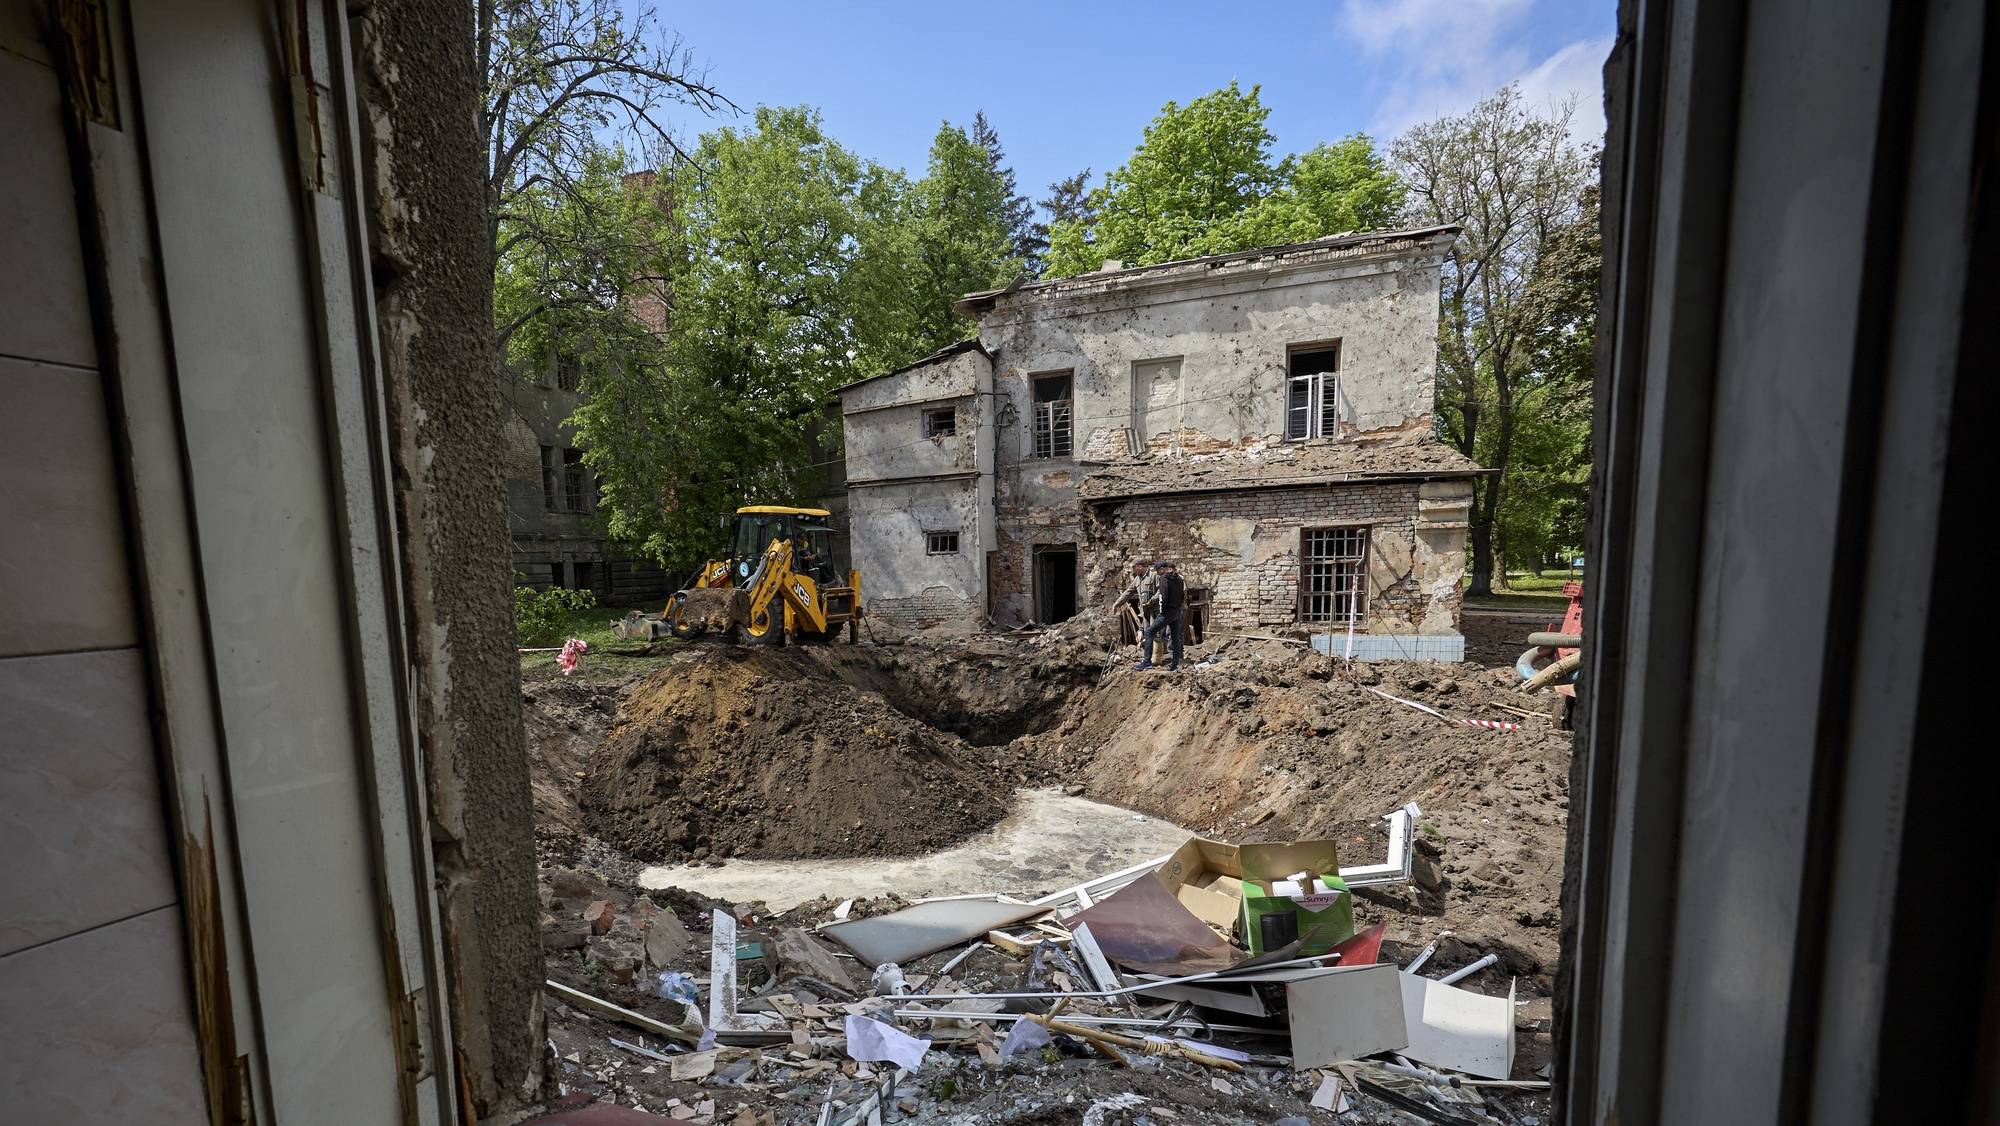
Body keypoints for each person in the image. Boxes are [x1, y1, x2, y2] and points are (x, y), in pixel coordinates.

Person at [1135, 560, 1185, 671]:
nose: (1157, 573)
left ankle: (1147, 661)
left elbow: (1163, 596)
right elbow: (1182, 596)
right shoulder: (1179, 578)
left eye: (1157, 570)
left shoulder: (1164, 579)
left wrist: (1162, 612)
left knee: (1149, 632)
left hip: (1167, 613)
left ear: (1162, 569)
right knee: (1175, 637)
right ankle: (1175, 664)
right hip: (1177, 611)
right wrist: (1178, 608)